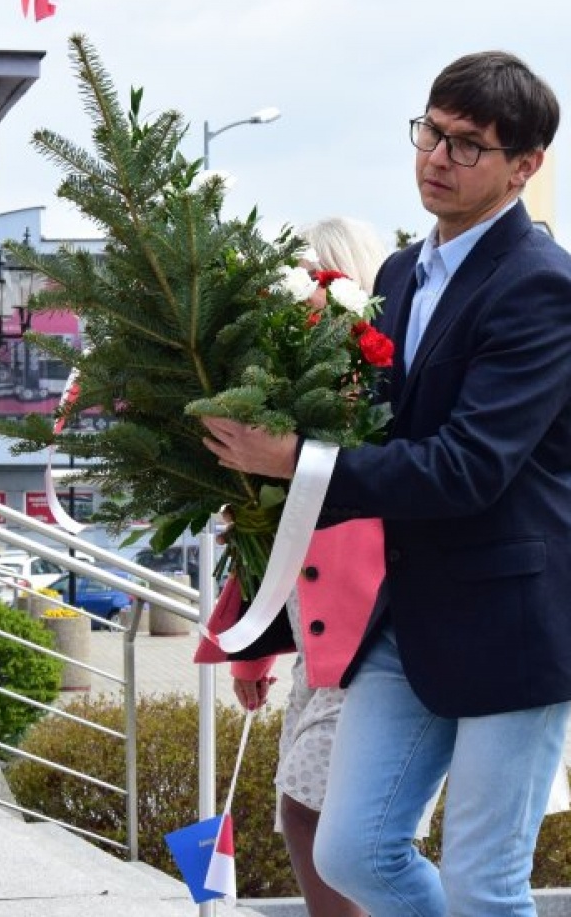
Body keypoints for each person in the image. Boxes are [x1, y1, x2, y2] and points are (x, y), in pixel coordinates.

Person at [200, 51, 571, 917]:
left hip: (518, 622)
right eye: (430, 130)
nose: (436, 157)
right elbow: (374, 431)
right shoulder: (396, 274)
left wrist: (295, 459)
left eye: (467, 146)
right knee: (351, 849)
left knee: (484, 881)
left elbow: (468, 466)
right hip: (414, 608)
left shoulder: (542, 286)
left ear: (525, 167)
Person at [195, 216, 389, 917]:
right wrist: (250, 657)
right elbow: (272, 531)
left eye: (318, 276)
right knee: (306, 817)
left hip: (373, 639)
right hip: (318, 644)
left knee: (320, 820)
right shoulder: (293, 396)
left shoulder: (377, 393)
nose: (303, 297)